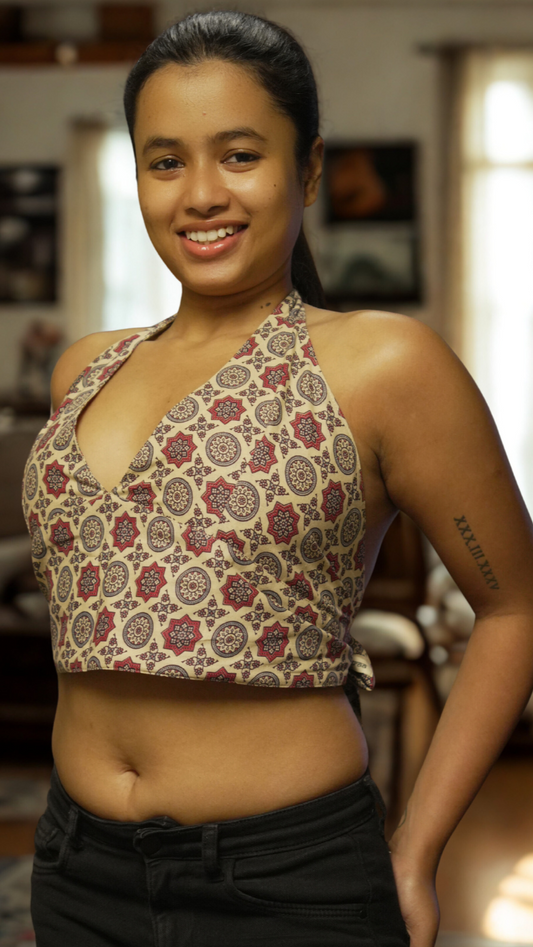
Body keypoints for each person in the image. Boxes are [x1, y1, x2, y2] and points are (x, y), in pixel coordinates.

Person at [23, 10, 533, 947]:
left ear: (307, 169)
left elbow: (515, 607)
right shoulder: (84, 369)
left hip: (285, 882)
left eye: (240, 155)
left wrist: (417, 847)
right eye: (165, 161)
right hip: (76, 869)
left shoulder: (383, 363)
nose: (200, 194)